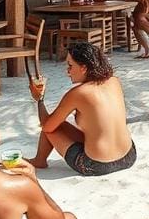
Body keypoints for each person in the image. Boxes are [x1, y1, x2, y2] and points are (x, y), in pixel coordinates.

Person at [29, 42, 136, 175]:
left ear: (83, 68)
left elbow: (47, 127)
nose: (67, 71)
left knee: (52, 126)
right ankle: (40, 159)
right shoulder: (114, 81)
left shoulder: (78, 93)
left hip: (96, 165)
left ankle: (40, 160)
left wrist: (40, 100)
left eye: (70, 65)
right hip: (129, 155)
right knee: (61, 125)